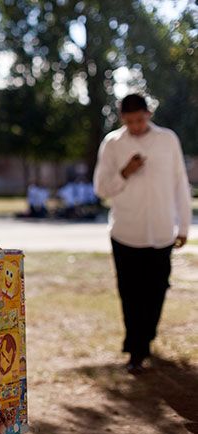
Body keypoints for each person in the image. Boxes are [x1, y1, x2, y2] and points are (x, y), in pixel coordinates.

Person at [93, 93, 191, 374]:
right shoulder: (113, 143)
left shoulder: (167, 140)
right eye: (129, 121)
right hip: (125, 232)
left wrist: (183, 227)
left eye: (139, 119)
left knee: (157, 291)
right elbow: (101, 189)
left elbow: (180, 184)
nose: (135, 126)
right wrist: (124, 172)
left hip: (161, 232)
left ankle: (145, 339)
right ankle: (136, 350)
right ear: (122, 119)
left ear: (148, 114)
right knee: (130, 293)